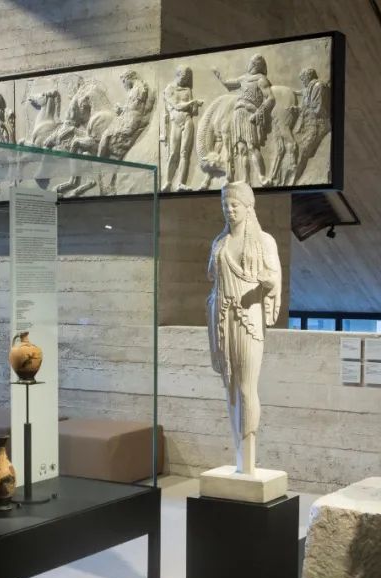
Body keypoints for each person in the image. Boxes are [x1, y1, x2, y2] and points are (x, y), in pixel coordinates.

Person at [206, 181, 282, 475]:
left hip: (249, 316)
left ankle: (248, 457)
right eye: (225, 205)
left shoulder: (264, 241)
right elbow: (212, 276)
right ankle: (239, 455)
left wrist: (267, 281)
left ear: (248, 207)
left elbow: (274, 279)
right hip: (222, 316)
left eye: (234, 204)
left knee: (247, 387)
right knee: (229, 386)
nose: (229, 210)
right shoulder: (220, 242)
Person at [213, 54, 275, 185]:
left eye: (251, 62)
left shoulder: (261, 79)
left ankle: (262, 176)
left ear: (255, 64)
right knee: (241, 149)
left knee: (252, 146)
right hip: (238, 113)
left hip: (250, 113)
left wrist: (259, 112)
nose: (249, 64)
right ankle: (246, 180)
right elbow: (228, 85)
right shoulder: (244, 78)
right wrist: (219, 76)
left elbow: (270, 98)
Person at [160, 65, 203, 192]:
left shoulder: (188, 90)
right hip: (176, 122)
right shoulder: (169, 89)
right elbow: (177, 106)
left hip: (187, 121)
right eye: (183, 77)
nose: (185, 80)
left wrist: (195, 106)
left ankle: (181, 183)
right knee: (174, 153)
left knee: (185, 153)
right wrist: (192, 102)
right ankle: (167, 183)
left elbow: (193, 112)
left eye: (187, 78)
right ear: (177, 75)